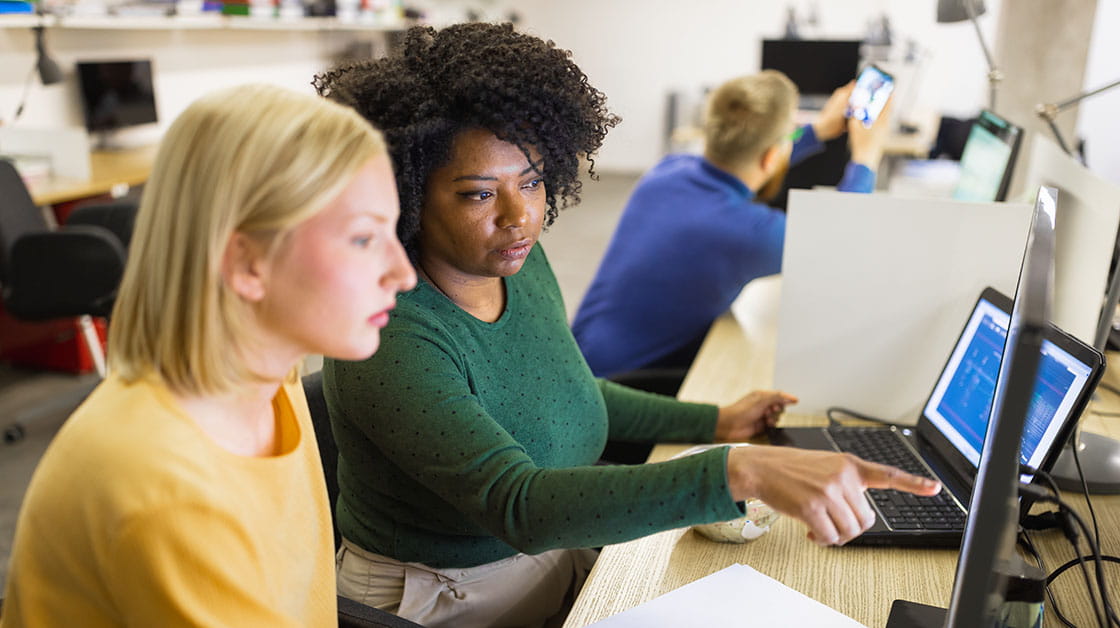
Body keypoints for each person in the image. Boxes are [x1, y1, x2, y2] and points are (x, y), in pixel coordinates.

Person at [315, 23, 937, 628]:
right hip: (446, 596)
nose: (519, 216)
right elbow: (518, 504)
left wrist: (716, 423)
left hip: (548, 550)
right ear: (409, 192)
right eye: (479, 194)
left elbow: (572, 391)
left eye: (531, 181)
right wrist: (736, 469)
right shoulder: (386, 333)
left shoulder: (514, 264)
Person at [0, 84, 415, 626]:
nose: (402, 273)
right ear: (244, 263)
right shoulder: (163, 489)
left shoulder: (271, 372)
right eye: (363, 239)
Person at [571, 70, 893, 382]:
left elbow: (757, 156)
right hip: (616, 394)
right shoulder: (750, 234)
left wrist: (818, 130)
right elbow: (844, 236)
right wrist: (866, 157)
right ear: (771, 156)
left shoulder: (668, 170)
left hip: (578, 361)